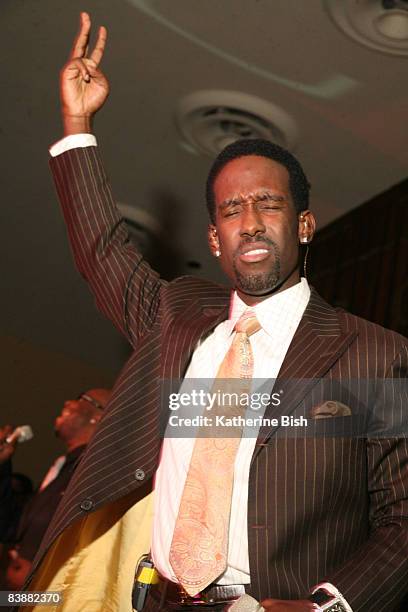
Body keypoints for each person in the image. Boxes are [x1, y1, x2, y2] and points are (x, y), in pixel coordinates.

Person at [23, 12, 408, 612]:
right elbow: (103, 251)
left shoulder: (372, 354)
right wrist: (77, 123)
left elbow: (401, 521)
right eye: (231, 210)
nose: (249, 220)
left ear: (304, 225)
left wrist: (329, 607)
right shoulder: (176, 317)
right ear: (213, 240)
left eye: (268, 204)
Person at [1, 388, 111, 589]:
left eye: (80, 399)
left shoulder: (95, 471)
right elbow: (10, 527)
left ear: (98, 415)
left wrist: (42, 578)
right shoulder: (61, 467)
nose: (68, 402)